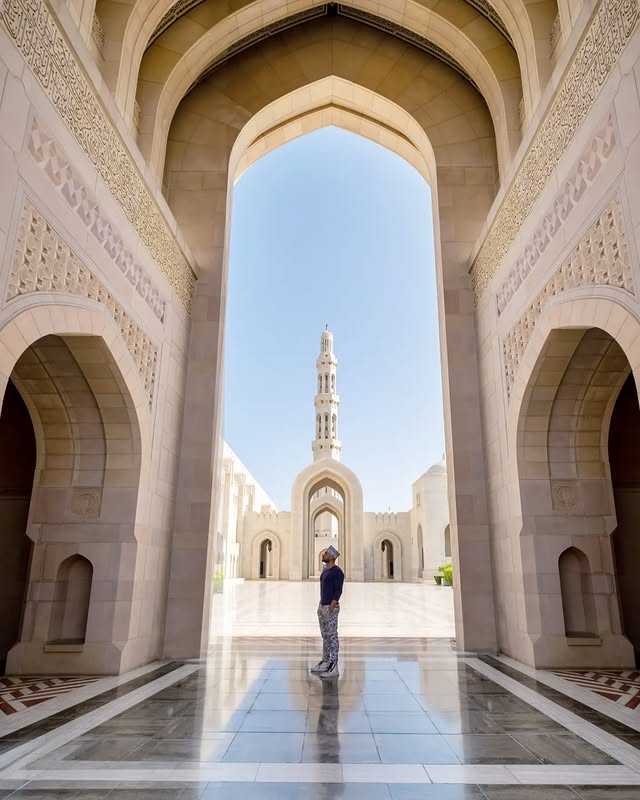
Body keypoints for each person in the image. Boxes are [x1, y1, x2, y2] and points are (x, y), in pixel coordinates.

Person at [310, 544, 344, 678]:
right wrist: (321, 604)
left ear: (332, 557)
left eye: (326, 554)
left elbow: (338, 590)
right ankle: (325, 661)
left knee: (332, 636)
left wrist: (332, 605)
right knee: (325, 636)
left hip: (331, 607)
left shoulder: (337, 572)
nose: (323, 555)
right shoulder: (325, 570)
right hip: (322, 606)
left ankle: (334, 665)